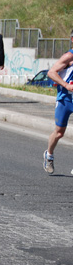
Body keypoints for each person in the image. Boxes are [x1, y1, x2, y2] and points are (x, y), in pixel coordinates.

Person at [43, 29, 73, 174]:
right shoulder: (69, 56)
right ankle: (49, 155)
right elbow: (51, 72)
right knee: (60, 132)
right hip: (65, 99)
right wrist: (66, 85)